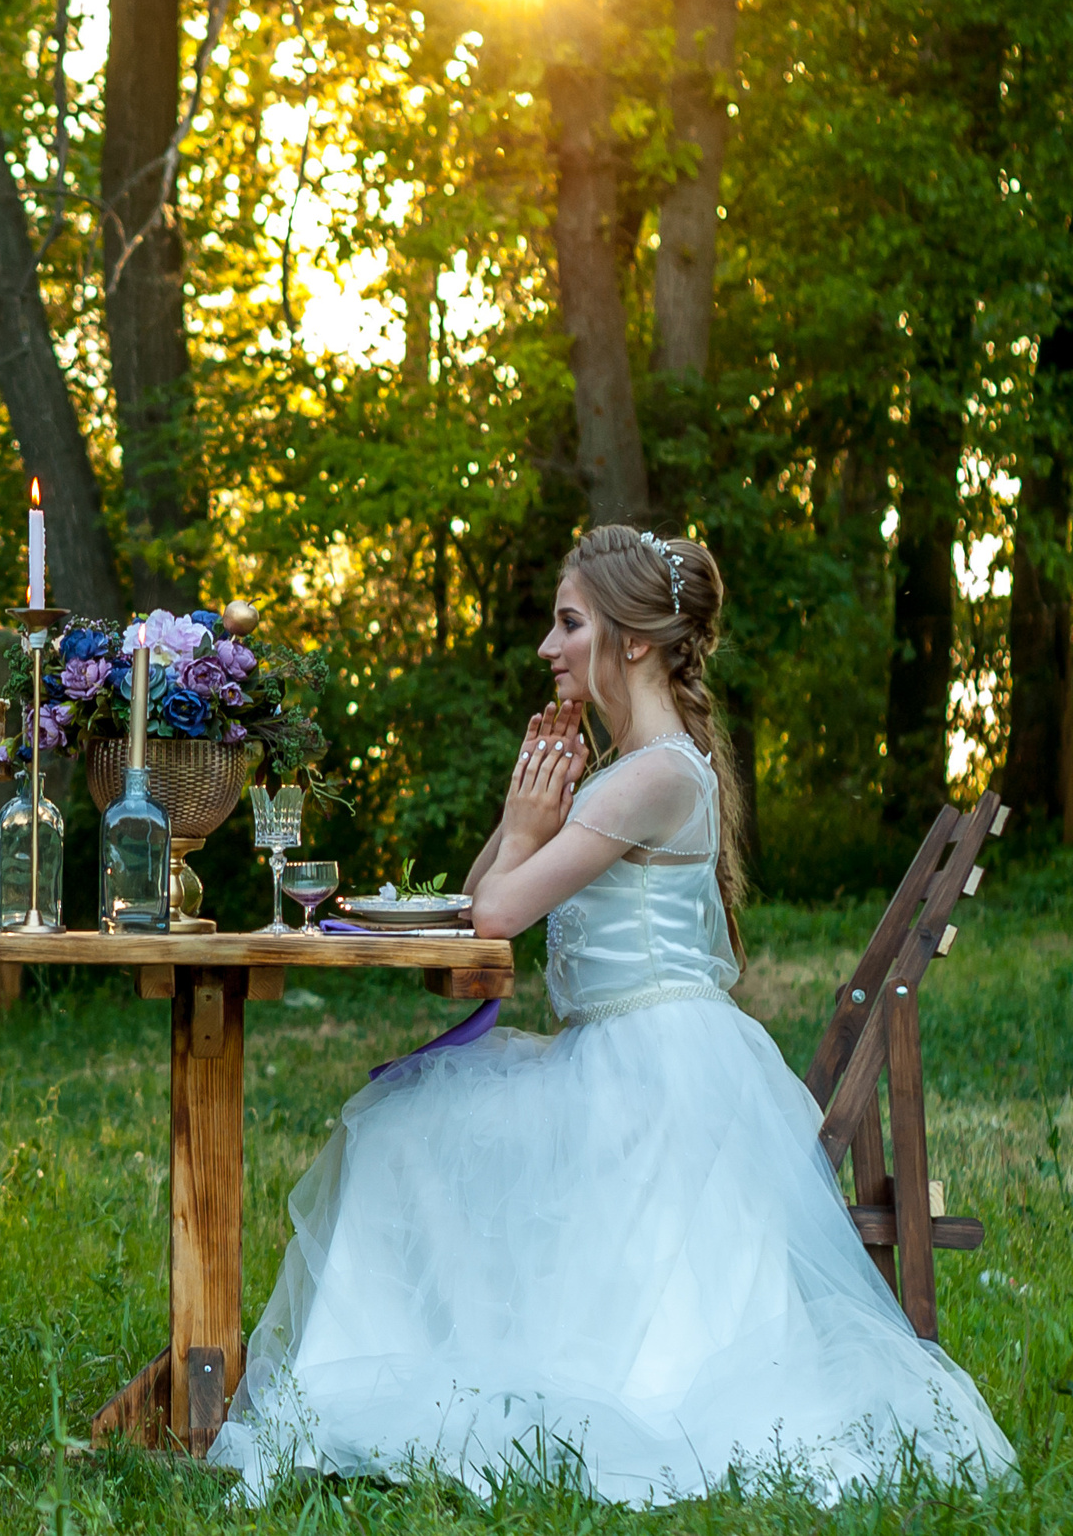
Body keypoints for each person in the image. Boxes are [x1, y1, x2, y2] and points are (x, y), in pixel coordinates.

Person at [209, 526, 1016, 1506]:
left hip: (654, 1077)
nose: (549, 648)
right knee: (409, 1122)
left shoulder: (654, 773)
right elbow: (484, 894)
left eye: (568, 623)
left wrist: (522, 831)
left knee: (399, 1130)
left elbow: (497, 914)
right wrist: (518, 820)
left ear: (632, 639)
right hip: (616, 1055)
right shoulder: (625, 769)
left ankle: (385, 1387)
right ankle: (407, 1372)